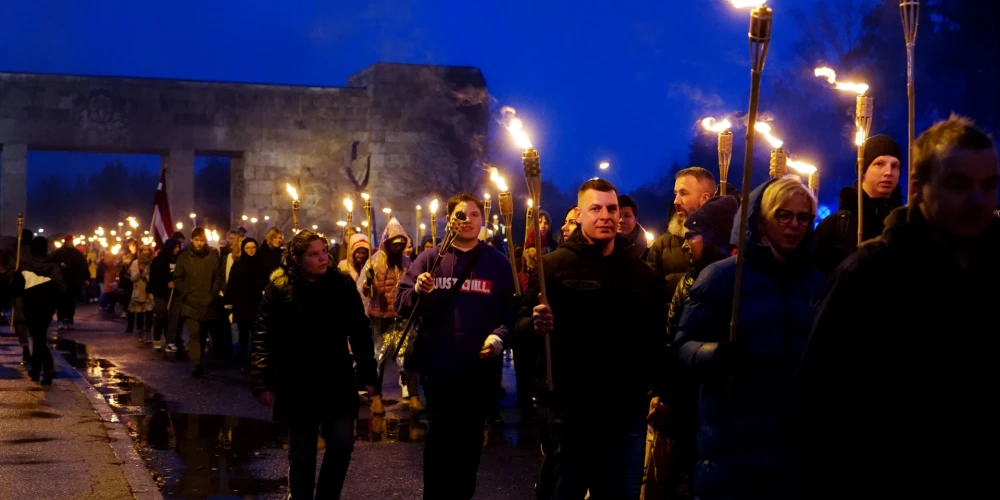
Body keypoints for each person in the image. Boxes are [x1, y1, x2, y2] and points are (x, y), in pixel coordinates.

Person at [794, 116, 1000, 498]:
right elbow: (820, 400)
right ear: (921, 189)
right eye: (958, 184)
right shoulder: (870, 274)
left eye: (989, 186)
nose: (977, 200)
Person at [674, 176, 824, 499]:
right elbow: (683, 345)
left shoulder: (815, 282)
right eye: (783, 215)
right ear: (761, 219)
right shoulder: (724, 276)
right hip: (733, 442)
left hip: (791, 445)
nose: (794, 224)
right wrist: (714, 355)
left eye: (803, 217)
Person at [523, 178, 665, 498]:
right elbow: (521, 322)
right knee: (569, 490)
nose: (606, 216)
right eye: (596, 208)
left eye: (612, 208)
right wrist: (534, 325)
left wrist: (656, 388)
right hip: (573, 410)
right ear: (580, 214)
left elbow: (655, 337)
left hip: (625, 410)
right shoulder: (553, 267)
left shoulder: (640, 274)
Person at [396, 193, 516, 500]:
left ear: (482, 219)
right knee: (440, 437)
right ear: (450, 219)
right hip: (439, 367)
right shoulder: (430, 259)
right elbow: (402, 303)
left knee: (470, 440)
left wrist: (499, 336)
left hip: (479, 368)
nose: (468, 220)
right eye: (461, 215)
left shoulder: (498, 263)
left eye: (475, 214)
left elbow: (511, 311)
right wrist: (417, 292)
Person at [252, 230, 376, 500]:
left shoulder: (341, 285)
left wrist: (368, 373)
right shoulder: (280, 288)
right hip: (298, 382)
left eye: (324, 252)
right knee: (303, 453)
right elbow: (263, 335)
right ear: (297, 258)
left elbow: (360, 331)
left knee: (342, 445)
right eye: (314, 254)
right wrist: (262, 380)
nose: (323, 258)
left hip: (337, 378)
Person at [658, 195, 739, 497]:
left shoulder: (739, 280)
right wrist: (665, 394)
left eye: (692, 235)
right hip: (689, 401)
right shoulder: (691, 280)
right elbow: (674, 340)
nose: (685, 244)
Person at [813, 134, 904, 274]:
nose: (888, 172)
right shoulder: (835, 226)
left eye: (895, 166)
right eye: (879, 164)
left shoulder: (903, 226)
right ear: (863, 170)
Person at [358, 218, 418, 412]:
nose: (398, 247)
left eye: (401, 243)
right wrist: (368, 283)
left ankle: (414, 395)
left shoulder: (407, 263)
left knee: (408, 355)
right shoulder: (373, 263)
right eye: (395, 243)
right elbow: (365, 293)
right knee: (379, 358)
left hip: (402, 317)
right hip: (381, 316)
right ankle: (376, 397)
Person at [648, 167, 716, 296]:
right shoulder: (662, 246)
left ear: (705, 198)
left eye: (683, 193)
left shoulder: (724, 242)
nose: (676, 201)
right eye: (676, 193)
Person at [172, 227, 224, 378]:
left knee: (202, 333)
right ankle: (196, 363)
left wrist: (212, 295)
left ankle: (199, 360)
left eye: (202, 240)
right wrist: (185, 292)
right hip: (190, 301)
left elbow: (219, 277)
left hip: (207, 301)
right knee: (194, 333)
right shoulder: (184, 257)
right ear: (192, 240)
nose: (199, 243)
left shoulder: (213, 257)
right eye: (197, 240)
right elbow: (178, 277)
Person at [15, 236, 66, 385]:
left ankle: (46, 367)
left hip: (30, 306)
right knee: (39, 336)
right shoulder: (53, 268)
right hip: (48, 307)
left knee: (38, 337)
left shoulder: (25, 268)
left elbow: (15, 288)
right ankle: (37, 370)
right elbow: (62, 288)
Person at [226, 237, 268, 370]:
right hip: (242, 305)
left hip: (256, 304)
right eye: (248, 248)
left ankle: (254, 360)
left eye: (253, 247)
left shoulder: (260, 264)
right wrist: (230, 302)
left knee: (256, 335)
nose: (251, 250)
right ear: (243, 249)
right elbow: (231, 285)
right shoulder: (238, 265)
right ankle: (244, 362)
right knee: (243, 335)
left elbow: (264, 283)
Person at [149, 238, 181, 351]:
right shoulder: (159, 260)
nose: (177, 249)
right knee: (160, 316)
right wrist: (166, 283)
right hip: (161, 293)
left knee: (173, 318)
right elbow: (155, 277)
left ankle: (170, 341)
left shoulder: (178, 259)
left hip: (175, 293)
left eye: (178, 247)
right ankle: (157, 338)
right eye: (175, 247)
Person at [51, 234, 88, 330]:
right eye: (69, 242)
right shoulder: (59, 253)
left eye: (72, 242)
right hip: (61, 281)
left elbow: (83, 265)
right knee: (61, 302)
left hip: (74, 282)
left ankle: (70, 320)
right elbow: (52, 264)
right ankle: (61, 320)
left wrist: (86, 278)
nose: (70, 243)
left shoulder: (77, 253)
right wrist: (60, 264)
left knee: (71, 303)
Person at [128, 244, 156, 343]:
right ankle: (140, 331)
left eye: (148, 249)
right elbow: (133, 278)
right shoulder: (135, 263)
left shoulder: (153, 262)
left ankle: (148, 333)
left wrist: (147, 277)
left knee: (149, 313)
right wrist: (140, 273)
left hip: (149, 291)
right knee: (139, 314)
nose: (146, 251)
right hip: (139, 291)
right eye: (143, 250)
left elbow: (155, 276)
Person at [617, 194, 649, 260]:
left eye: (627, 216)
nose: (621, 220)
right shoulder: (602, 247)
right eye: (617, 216)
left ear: (636, 219)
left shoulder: (649, 249)